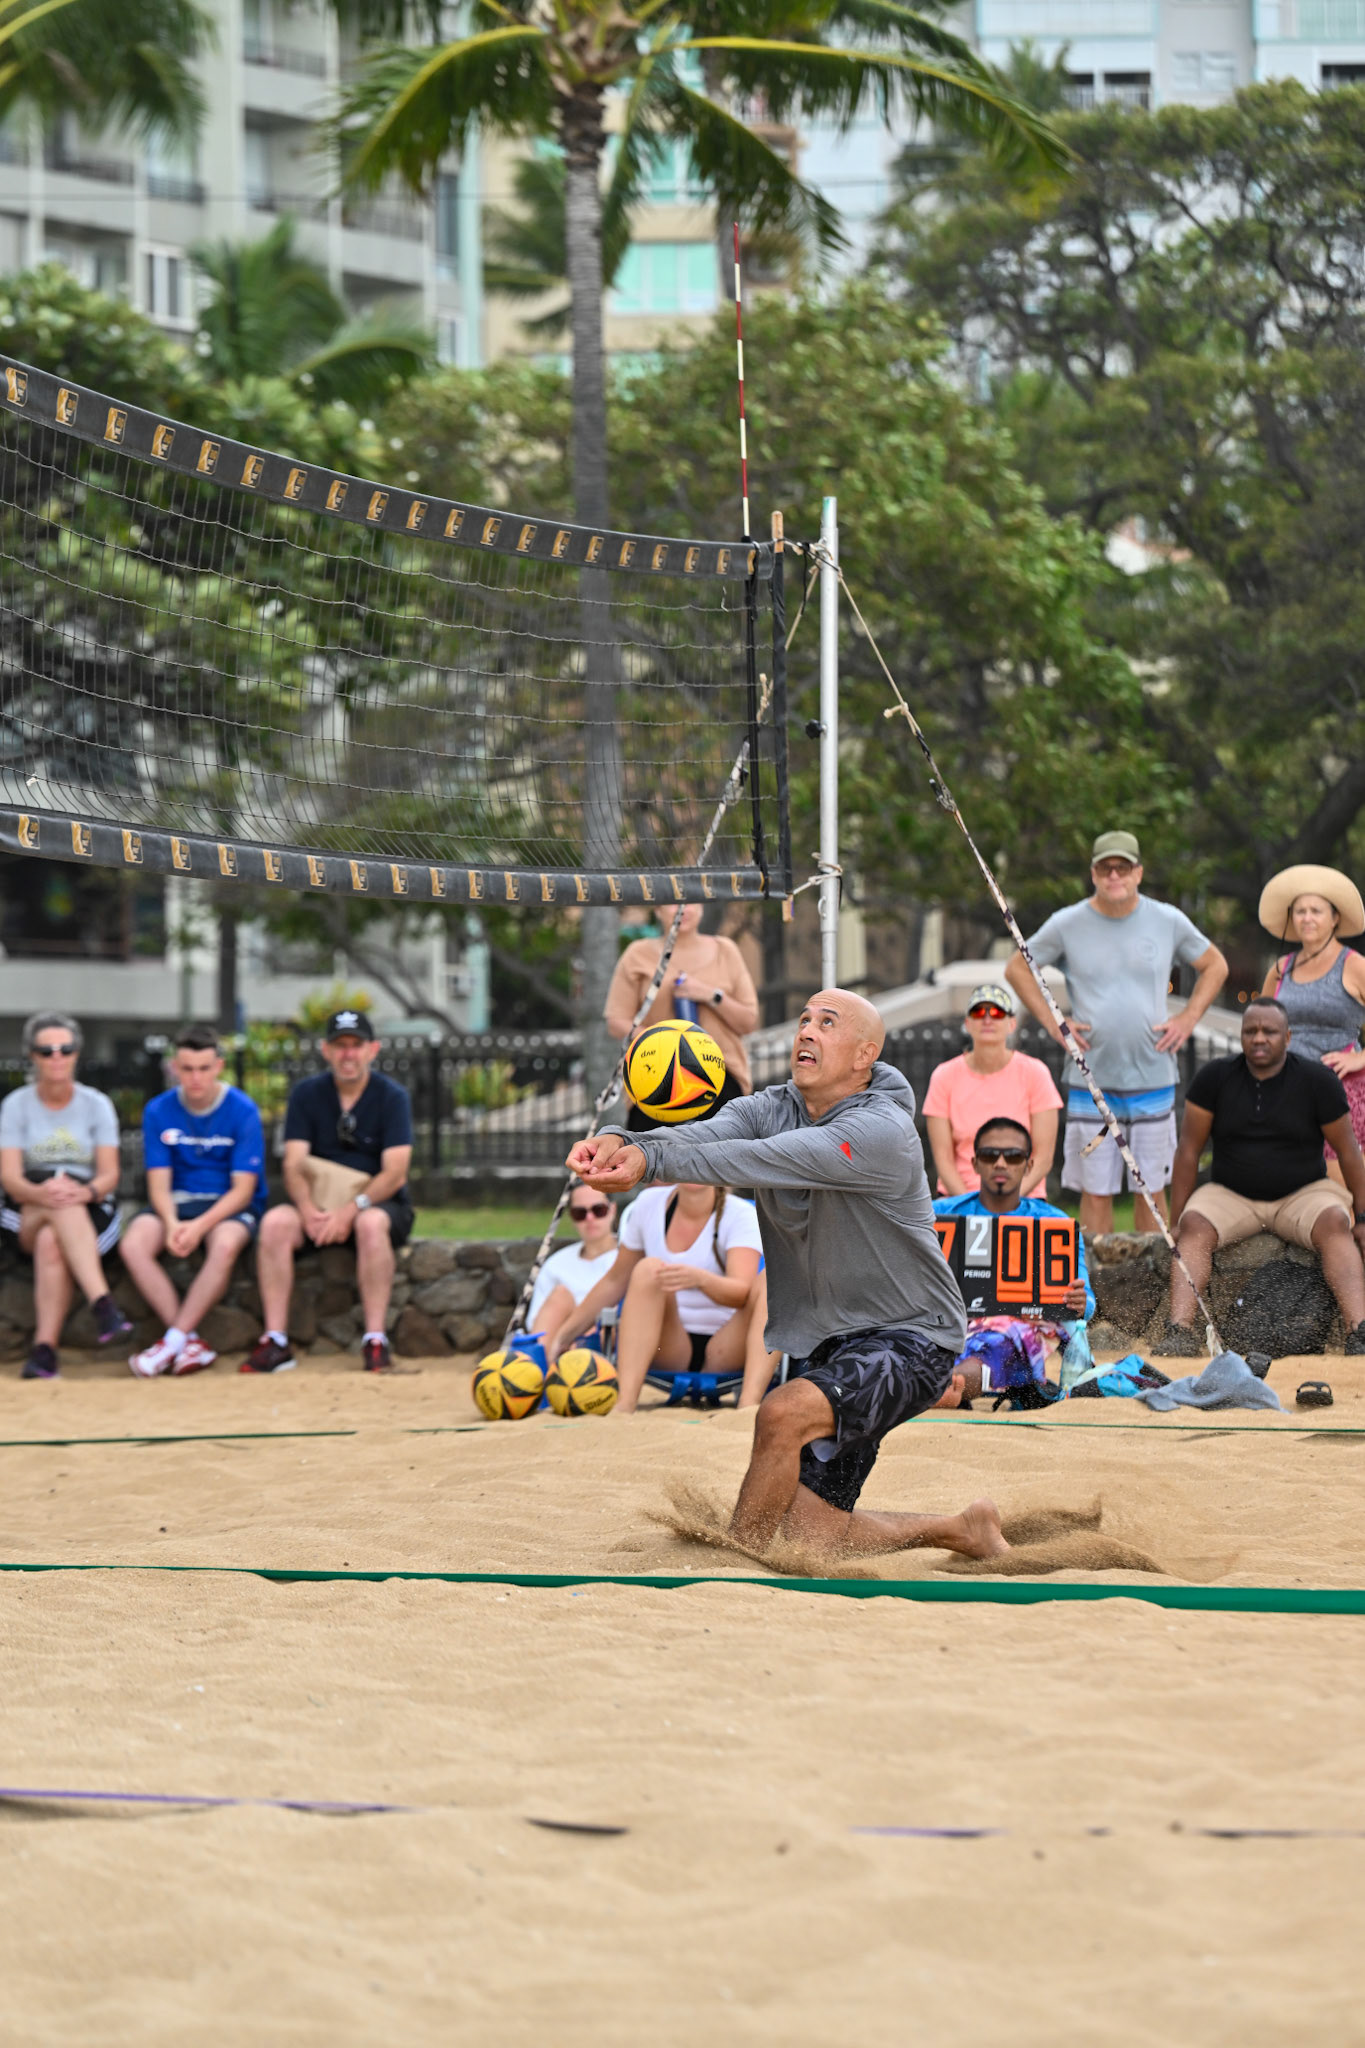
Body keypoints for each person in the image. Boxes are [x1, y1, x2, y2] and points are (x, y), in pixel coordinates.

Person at [568, 989, 1008, 1565]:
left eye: (828, 1022)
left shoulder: (882, 1131)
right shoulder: (773, 1105)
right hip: (824, 1340)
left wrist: (649, 1162)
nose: (806, 1030)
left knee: (781, 1413)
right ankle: (961, 1530)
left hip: (912, 1337)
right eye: (804, 1019)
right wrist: (624, 1142)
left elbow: (757, 1158)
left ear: (863, 1055)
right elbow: (705, 1135)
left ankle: (733, 1563)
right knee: (812, 1538)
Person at [1006, 829, 1228, 1236]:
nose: (1114, 876)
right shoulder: (1066, 923)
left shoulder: (1167, 919)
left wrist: (1188, 1018)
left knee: (1151, 1188)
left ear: (1138, 873)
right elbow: (1017, 968)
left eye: (1122, 867)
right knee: (1096, 1190)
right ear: (1093, 873)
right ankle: (1100, 1289)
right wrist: (1056, 1024)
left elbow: (1215, 965)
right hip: (1091, 1081)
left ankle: (1151, 1285)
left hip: (1153, 1077)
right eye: (1105, 868)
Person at [1157, 995, 1365, 1357]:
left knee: (1335, 1222)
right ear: (1240, 1036)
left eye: (1269, 1031)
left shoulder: (1318, 1081)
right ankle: (1180, 1330)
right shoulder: (1214, 1079)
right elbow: (1188, 1151)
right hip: (1231, 1192)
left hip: (1304, 1191)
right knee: (1193, 1227)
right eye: (1250, 1030)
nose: (1259, 1038)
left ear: (1288, 1036)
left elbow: (1349, 1153)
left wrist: (1361, 1217)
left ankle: (1358, 1330)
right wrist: (1175, 1220)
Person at [243, 1009, 413, 1375]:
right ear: (326, 1050)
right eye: (340, 1046)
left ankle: (375, 1339)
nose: (348, 1054)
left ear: (373, 1049)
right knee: (274, 1223)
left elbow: (395, 1172)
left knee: (370, 1226)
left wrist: (350, 1210)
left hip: (374, 1204)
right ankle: (275, 1339)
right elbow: (293, 1162)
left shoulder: (392, 1097)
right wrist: (306, 1209)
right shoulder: (306, 1094)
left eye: (356, 1045)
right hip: (317, 1204)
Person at [120, 1025, 267, 1378]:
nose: (195, 1078)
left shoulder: (243, 1110)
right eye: (187, 1069)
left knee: (225, 1243)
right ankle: (188, 1343)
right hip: (176, 1204)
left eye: (203, 1068)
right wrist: (172, 1224)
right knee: (133, 1243)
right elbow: (158, 1182)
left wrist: (200, 1226)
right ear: (174, 1068)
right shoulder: (158, 1110)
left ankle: (171, 1342)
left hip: (227, 1206)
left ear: (218, 1066)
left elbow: (243, 1191)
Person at [550, 1181, 764, 1413]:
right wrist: (563, 1336)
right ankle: (624, 1405)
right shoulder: (649, 1204)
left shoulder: (741, 1215)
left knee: (771, 1281)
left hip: (725, 1348)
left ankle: (748, 1406)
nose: (693, 1168)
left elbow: (742, 1292)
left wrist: (701, 1280)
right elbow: (615, 1280)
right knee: (648, 1269)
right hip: (670, 1346)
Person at [0, 1011, 131, 1379]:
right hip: (27, 1201)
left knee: (50, 1241)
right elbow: (9, 1177)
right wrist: (42, 1193)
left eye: (65, 1048)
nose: (56, 1057)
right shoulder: (15, 1105)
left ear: (76, 1053)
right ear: (32, 1056)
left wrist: (81, 1192)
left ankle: (45, 1351)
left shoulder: (97, 1104)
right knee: (56, 1209)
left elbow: (109, 1175)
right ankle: (102, 1303)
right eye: (46, 1050)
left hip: (88, 1204)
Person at [931, 1116, 1094, 1409]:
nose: (1001, 1163)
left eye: (1014, 1156)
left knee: (1008, 1332)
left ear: (1028, 1166)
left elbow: (1088, 1303)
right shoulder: (936, 1214)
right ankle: (940, 1385)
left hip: (1020, 1326)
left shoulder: (1056, 1223)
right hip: (945, 1321)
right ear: (975, 1163)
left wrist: (1081, 1302)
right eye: (990, 1155)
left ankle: (949, 1386)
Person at [604, 903, 759, 1129]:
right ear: (657, 910)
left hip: (719, 1073)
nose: (682, 909)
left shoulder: (726, 950)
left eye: (691, 901)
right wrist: (665, 1043)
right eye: (672, 902)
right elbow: (616, 1022)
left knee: (721, 1155)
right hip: (655, 1075)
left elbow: (748, 1021)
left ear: (702, 907)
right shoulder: (638, 954)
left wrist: (708, 994)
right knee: (651, 1156)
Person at [1258, 864, 1365, 1172]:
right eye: (1300, 911)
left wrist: (1361, 1059)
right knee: (1288, 1188)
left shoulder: (1353, 965)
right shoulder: (1281, 968)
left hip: (1341, 1092)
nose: (1307, 918)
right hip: (1285, 1092)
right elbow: (1257, 1026)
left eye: (1316, 911)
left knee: (1341, 1194)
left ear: (1335, 918)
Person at [922, 982, 1061, 1197]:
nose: (987, 1019)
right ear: (967, 1023)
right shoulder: (944, 1076)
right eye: (978, 1012)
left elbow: (1043, 1158)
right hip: (960, 1198)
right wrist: (971, 1207)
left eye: (997, 1012)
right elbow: (944, 1161)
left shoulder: (1035, 1073)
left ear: (1011, 1023)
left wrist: (1007, 1202)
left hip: (1023, 1196)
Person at [525, 1188, 620, 1353]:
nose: (589, 1218)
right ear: (571, 1217)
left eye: (598, 1210)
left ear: (613, 1210)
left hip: (609, 1346)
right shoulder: (556, 1263)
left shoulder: (629, 1256)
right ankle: (540, 1370)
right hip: (556, 1346)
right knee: (560, 1295)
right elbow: (536, 1325)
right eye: (580, 1213)